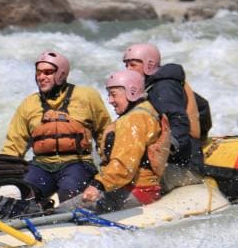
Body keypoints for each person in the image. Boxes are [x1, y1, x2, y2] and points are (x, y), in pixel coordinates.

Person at [1, 51, 111, 204]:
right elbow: (13, 145)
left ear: (61, 74)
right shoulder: (28, 104)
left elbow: (105, 135)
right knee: (26, 192)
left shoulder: (87, 96)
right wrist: (1, 174)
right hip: (41, 166)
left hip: (77, 164)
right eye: (38, 73)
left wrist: (108, 172)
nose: (41, 77)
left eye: (48, 73)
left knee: (69, 191)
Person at [68, 70, 169, 212]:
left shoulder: (134, 119)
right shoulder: (147, 110)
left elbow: (123, 163)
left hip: (136, 191)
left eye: (113, 94)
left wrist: (98, 185)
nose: (110, 100)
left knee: (67, 208)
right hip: (145, 188)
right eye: (109, 95)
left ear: (131, 92)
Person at [122, 43, 212, 190]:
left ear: (149, 65)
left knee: (121, 184)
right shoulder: (161, 85)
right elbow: (202, 107)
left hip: (181, 168)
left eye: (132, 65)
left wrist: (166, 149)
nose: (128, 70)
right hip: (183, 162)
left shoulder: (164, 87)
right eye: (126, 66)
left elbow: (179, 122)